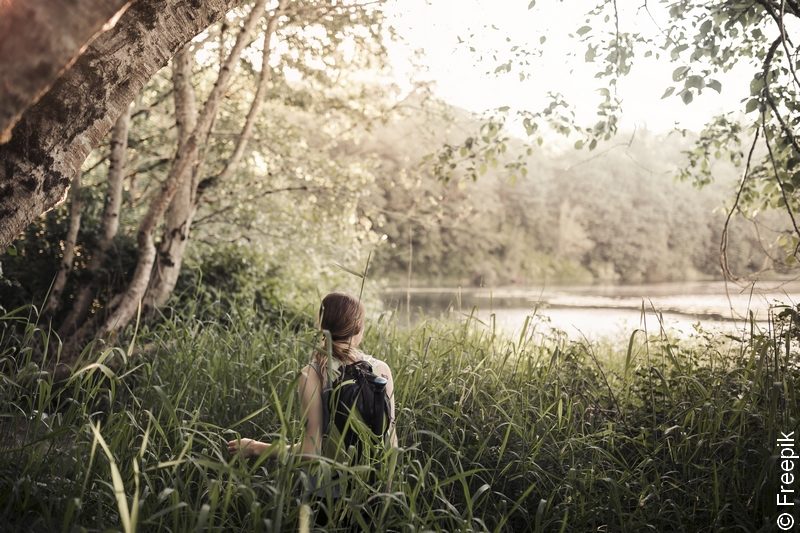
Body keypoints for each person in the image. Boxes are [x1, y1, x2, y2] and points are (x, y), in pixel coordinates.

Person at [226, 292, 398, 525]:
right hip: (373, 494)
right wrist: (384, 496)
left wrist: (256, 448)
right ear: (359, 328)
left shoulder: (312, 373)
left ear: (321, 324)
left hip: (326, 495)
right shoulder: (381, 370)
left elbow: (309, 452)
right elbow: (391, 442)